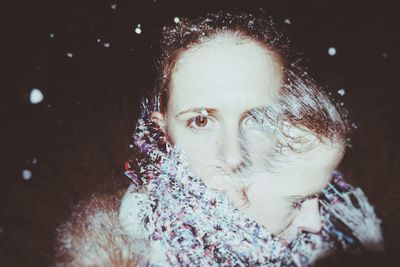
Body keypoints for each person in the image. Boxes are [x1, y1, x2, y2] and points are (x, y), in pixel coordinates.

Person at [55, 10, 383, 266]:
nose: (232, 155)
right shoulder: (121, 250)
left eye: (257, 119)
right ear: (164, 131)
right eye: (200, 121)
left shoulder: (331, 220)